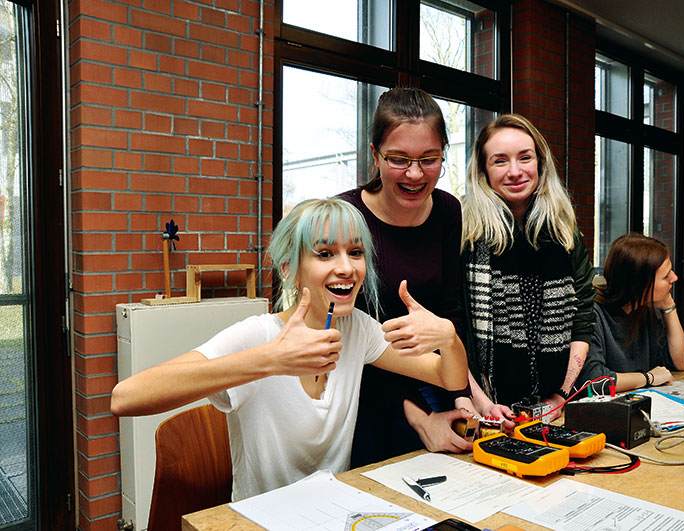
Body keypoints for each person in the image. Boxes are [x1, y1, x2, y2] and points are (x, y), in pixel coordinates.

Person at [110, 198, 468, 500]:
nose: (346, 267)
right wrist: (269, 360)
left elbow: (446, 377)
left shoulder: (358, 328)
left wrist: (449, 338)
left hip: (330, 513)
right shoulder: (258, 335)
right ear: (290, 270)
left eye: (355, 252)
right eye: (325, 253)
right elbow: (125, 397)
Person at [339, 87, 474, 467]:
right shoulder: (346, 217)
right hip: (367, 397)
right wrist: (420, 418)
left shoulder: (447, 211)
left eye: (429, 159)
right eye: (399, 159)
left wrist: (461, 394)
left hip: (433, 378)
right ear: (374, 156)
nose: (415, 174)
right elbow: (346, 345)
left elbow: (450, 311)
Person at [459, 113, 596, 422]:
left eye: (525, 158)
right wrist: (482, 403)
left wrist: (559, 396)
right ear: (483, 171)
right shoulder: (464, 235)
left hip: (551, 405)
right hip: (480, 407)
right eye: (500, 161)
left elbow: (583, 319)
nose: (515, 171)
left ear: (540, 163)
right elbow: (453, 328)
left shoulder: (565, 233)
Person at [577, 233, 684, 392]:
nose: (674, 278)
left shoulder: (645, 311)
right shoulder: (592, 314)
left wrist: (669, 307)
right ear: (639, 284)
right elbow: (593, 380)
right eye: (666, 276)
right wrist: (648, 378)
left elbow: (678, 364)